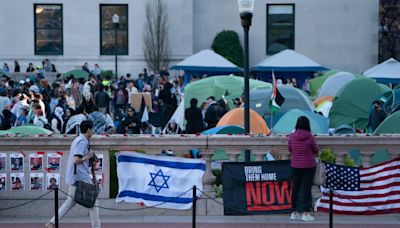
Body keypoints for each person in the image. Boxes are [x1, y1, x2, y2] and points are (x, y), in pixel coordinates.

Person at [46, 120, 100, 228]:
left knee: (70, 201)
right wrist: (88, 157)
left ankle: (52, 223)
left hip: (76, 176)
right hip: (80, 177)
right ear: (88, 130)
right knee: (92, 202)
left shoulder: (78, 140)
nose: (93, 132)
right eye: (92, 129)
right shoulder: (82, 142)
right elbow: (76, 160)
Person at [288, 116, 319, 221]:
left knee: (295, 189)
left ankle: (293, 212)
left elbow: (290, 149)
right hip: (309, 166)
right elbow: (315, 150)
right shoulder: (310, 137)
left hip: (295, 165)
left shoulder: (292, 136)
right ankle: (305, 213)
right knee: (306, 189)